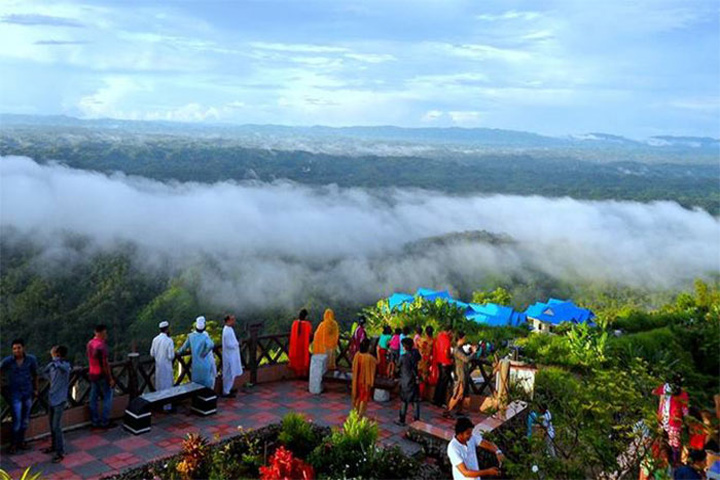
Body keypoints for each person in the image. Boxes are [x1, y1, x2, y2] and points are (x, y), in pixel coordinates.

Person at [1, 339, 38, 453]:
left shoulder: (31, 360)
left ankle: (21, 442)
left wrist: (36, 389)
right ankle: (13, 444)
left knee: (25, 420)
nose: (16, 351)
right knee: (16, 420)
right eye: (14, 349)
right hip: (15, 394)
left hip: (27, 392)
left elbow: (35, 374)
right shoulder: (8, 361)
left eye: (19, 348)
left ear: (23, 348)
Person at [41, 345, 71, 463]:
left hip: (60, 400)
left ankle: (60, 452)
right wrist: (50, 379)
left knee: (56, 426)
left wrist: (55, 360)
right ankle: (54, 446)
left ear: (58, 354)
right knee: (51, 425)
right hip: (51, 398)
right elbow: (44, 372)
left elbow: (62, 367)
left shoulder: (65, 366)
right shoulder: (52, 366)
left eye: (53, 351)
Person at [653, 376, 689, 465]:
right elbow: (685, 412)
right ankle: (669, 463)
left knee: (667, 445)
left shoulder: (666, 389)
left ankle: (667, 463)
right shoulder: (680, 393)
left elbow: (654, 391)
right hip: (671, 423)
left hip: (668, 423)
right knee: (670, 445)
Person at [87, 325, 116, 429]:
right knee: (108, 397)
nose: (106, 335)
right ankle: (105, 421)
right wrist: (110, 378)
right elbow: (105, 364)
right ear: (99, 333)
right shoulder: (101, 346)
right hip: (102, 375)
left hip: (92, 374)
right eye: (104, 333)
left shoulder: (90, 344)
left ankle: (94, 421)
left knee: (93, 398)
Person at [444, 331, 476, 418]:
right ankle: (448, 411)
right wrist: (473, 353)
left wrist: (470, 352)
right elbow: (466, 359)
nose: (465, 340)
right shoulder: (457, 350)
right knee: (458, 393)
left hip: (463, 373)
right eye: (464, 338)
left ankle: (459, 410)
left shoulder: (460, 349)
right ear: (460, 339)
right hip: (460, 374)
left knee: (462, 394)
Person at [178, 316, 215, 389]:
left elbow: (184, 348)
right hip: (205, 363)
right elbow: (211, 345)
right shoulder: (205, 337)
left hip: (196, 366)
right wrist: (204, 353)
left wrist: (178, 352)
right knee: (206, 386)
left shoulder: (191, 336)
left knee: (196, 386)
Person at [150, 321, 175, 411]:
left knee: (159, 386)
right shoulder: (169, 340)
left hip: (158, 367)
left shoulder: (155, 339)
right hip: (167, 368)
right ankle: (167, 407)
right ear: (167, 329)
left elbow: (152, 353)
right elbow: (171, 356)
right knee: (167, 387)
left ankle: (159, 406)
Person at [396, 337, 421, 426]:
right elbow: (419, 357)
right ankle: (417, 420)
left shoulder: (403, 357)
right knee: (415, 401)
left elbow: (397, 368)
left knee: (404, 401)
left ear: (404, 347)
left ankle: (402, 420)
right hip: (414, 379)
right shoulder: (415, 354)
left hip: (405, 381)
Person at [351, 338, 376, 418]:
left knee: (357, 396)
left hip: (357, 380)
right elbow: (377, 363)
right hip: (365, 381)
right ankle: (360, 415)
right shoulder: (369, 358)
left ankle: (355, 412)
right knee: (363, 398)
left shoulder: (357, 355)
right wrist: (378, 352)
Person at [222, 315, 244, 397]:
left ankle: (229, 388)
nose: (233, 321)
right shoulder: (226, 331)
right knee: (229, 373)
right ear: (228, 321)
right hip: (229, 355)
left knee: (231, 373)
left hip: (232, 355)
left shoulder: (229, 329)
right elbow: (229, 344)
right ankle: (226, 391)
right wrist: (237, 344)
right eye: (232, 320)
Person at [432, 326, 453, 408]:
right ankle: (440, 401)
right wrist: (450, 357)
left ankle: (436, 399)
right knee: (444, 383)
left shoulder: (439, 337)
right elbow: (447, 352)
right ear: (449, 331)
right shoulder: (446, 340)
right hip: (445, 362)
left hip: (439, 361)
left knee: (440, 381)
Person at [289, 309, 312, 377]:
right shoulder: (307, 324)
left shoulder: (294, 323)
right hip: (303, 346)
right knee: (303, 360)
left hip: (296, 346)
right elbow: (310, 334)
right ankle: (303, 375)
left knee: (297, 360)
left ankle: (298, 375)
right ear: (305, 316)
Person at [416, 326, 434, 398]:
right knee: (423, 379)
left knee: (418, 377)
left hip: (419, 361)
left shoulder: (420, 340)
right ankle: (421, 395)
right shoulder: (433, 342)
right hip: (427, 362)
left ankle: (417, 394)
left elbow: (416, 347)